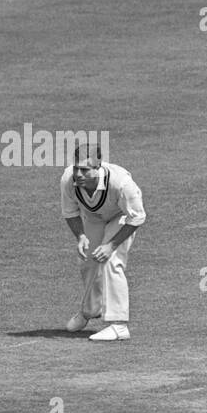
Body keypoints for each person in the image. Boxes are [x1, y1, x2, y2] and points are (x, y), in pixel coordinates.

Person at [60, 140, 147, 341]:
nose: (79, 175)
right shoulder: (67, 180)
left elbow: (137, 217)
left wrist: (111, 245)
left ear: (98, 167)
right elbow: (70, 211)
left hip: (122, 217)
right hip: (93, 218)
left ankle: (119, 325)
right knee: (88, 261)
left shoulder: (121, 183)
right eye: (76, 169)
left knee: (110, 261)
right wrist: (80, 236)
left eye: (85, 170)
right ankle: (89, 311)